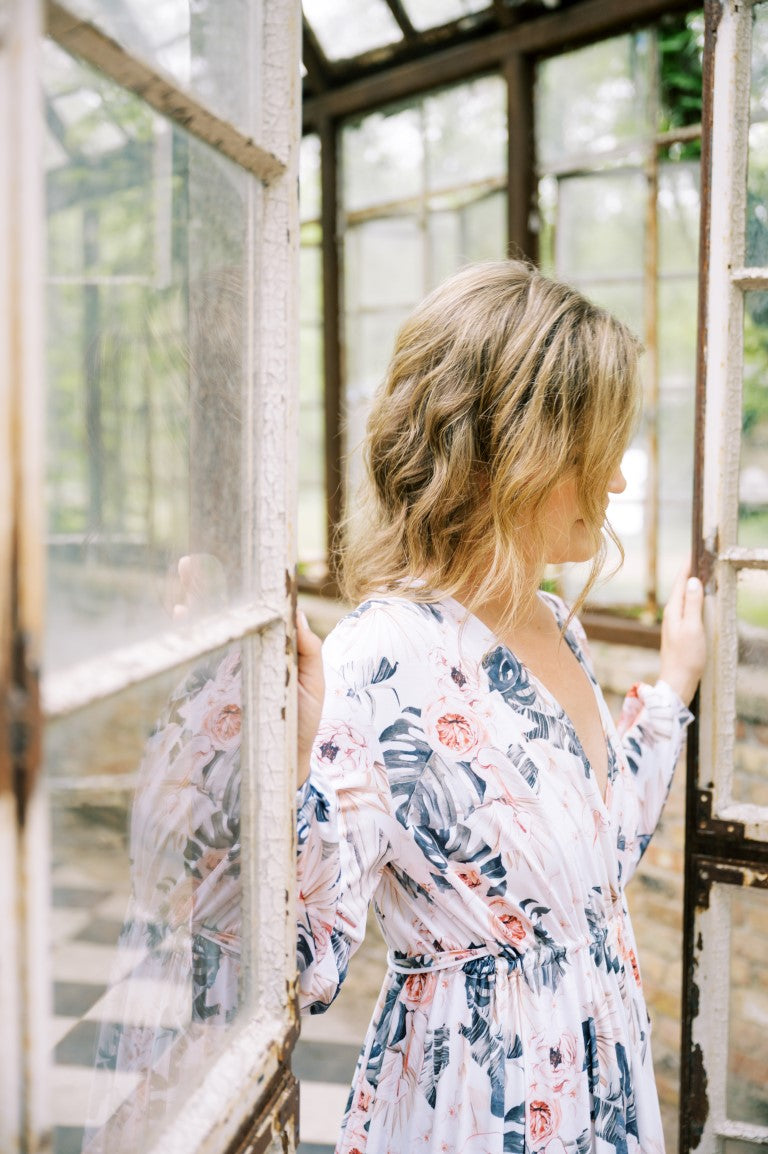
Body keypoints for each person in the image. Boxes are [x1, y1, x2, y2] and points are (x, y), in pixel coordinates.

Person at [293, 259, 706, 1154]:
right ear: (515, 453)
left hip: (606, 1084)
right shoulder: (383, 656)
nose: (619, 484)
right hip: (479, 1110)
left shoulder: (554, 624)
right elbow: (304, 952)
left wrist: (671, 692)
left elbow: (592, 867)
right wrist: (279, 759)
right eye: (597, 451)